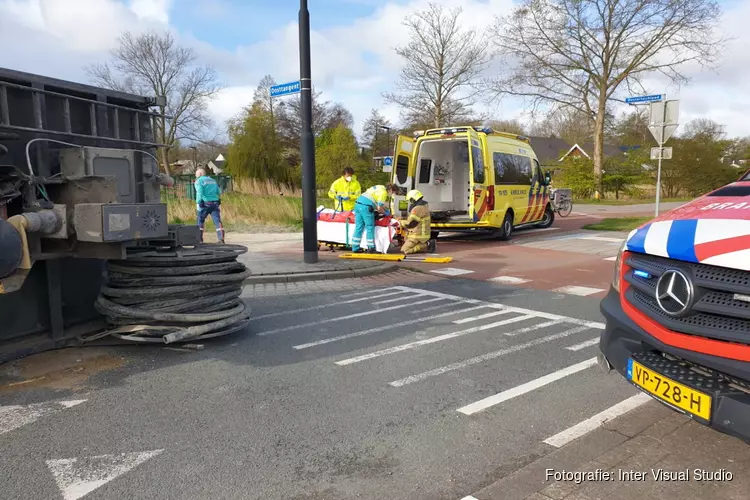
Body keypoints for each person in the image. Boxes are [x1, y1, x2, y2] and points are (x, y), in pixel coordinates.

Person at [351, 183, 398, 253]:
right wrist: (386, 213)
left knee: (359, 227)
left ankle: (355, 248)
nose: (392, 194)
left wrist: (385, 209)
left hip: (358, 204)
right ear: (391, 190)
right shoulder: (384, 193)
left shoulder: (380, 187)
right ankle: (371, 248)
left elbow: (377, 203)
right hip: (366, 207)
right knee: (370, 227)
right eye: (393, 192)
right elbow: (379, 208)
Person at [399, 190, 436, 254]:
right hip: (421, 234)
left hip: (418, 236)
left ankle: (427, 245)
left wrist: (399, 222)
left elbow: (410, 224)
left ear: (413, 199)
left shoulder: (417, 208)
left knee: (405, 250)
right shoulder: (424, 206)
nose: (410, 203)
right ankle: (425, 244)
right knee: (405, 244)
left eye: (410, 200)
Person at [194, 168, 224, 243]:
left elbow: (199, 192)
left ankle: (199, 240)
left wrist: (198, 201)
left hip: (205, 203)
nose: (195, 175)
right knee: (217, 221)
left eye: (196, 174)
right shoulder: (213, 180)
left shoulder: (199, 181)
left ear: (200, 174)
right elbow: (219, 191)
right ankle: (221, 238)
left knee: (200, 221)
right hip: (215, 203)